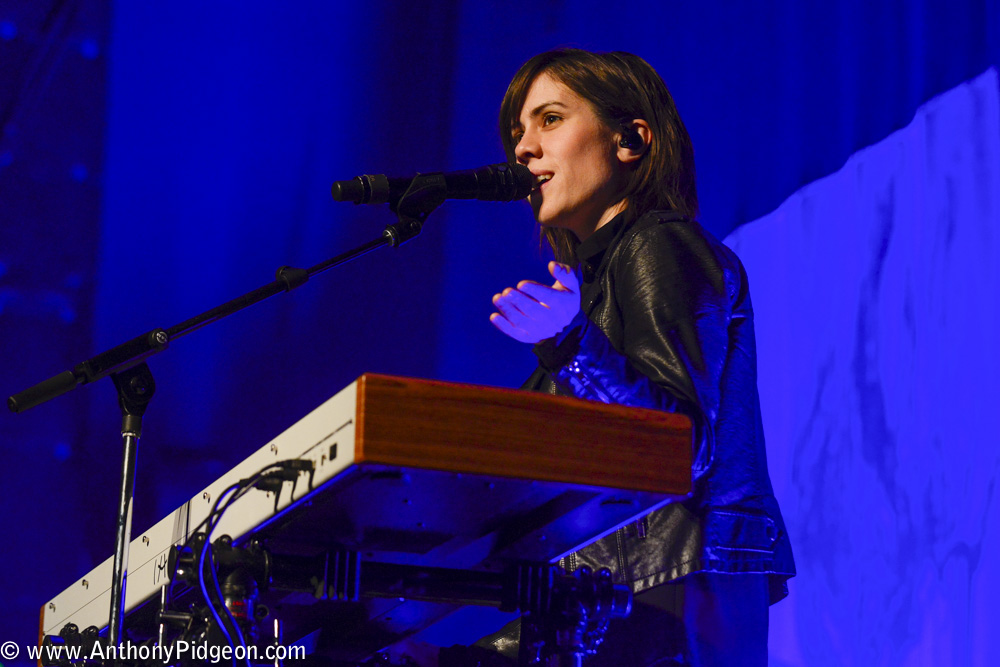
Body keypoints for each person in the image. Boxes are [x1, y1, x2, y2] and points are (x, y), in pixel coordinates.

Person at [482, 49, 796, 666]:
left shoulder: (659, 245)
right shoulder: (595, 287)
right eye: (517, 133)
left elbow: (677, 443)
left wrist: (572, 342)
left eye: (548, 119)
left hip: (669, 595)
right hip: (630, 600)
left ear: (630, 140)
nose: (522, 149)